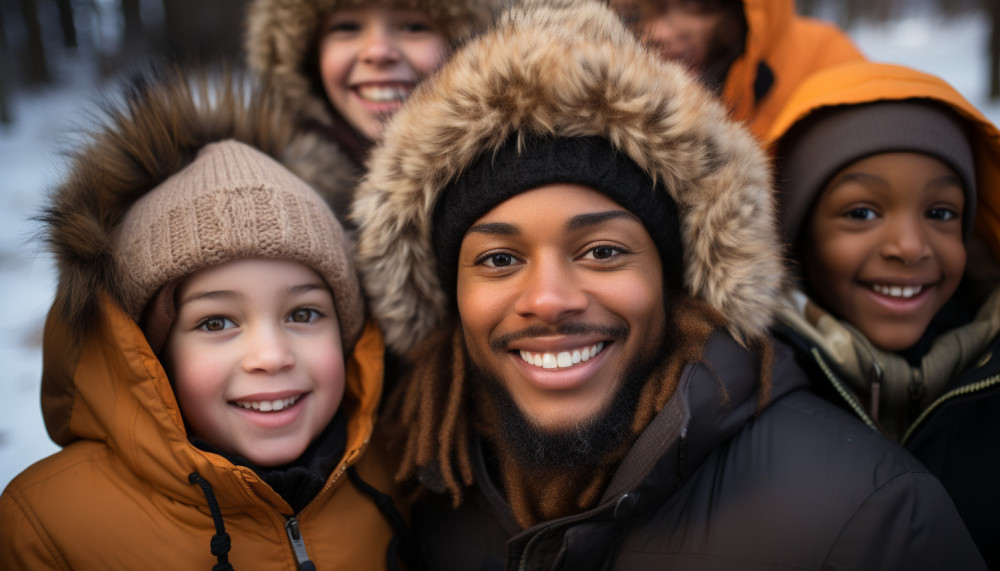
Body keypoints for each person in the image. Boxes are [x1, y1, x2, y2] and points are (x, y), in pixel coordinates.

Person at [350, 0, 985, 568]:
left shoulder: (871, 516)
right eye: (498, 260)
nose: (548, 299)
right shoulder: (421, 499)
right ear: (448, 297)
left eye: (602, 251)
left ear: (676, 281)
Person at [0, 68, 410, 570]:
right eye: (216, 322)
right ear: (153, 355)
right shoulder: (49, 526)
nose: (271, 356)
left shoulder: (401, 470)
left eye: (303, 313)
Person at [767, 60, 1000, 568]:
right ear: (796, 238)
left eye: (940, 213)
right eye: (862, 213)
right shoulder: (744, 394)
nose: (910, 246)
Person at [244, 0, 496, 224]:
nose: (378, 52)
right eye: (347, 27)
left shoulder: (510, 175)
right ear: (308, 57)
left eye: (414, 27)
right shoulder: (261, 191)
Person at [608, 0, 864, 139]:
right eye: (634, 13)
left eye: (697, 6)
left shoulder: (829, 62)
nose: (661, 33)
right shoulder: (598, 90)